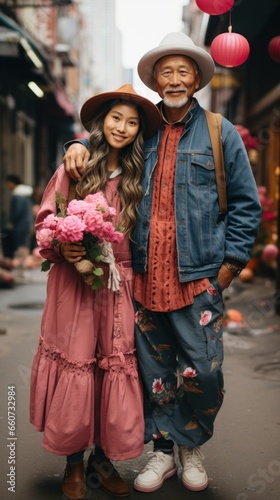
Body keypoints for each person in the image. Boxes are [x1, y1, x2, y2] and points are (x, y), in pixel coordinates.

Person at [63, 32, 262, 493]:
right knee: (153, 372)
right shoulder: (145, 130)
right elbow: (107, 136)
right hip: (143, 276)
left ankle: (191, 444)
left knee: (204, 370)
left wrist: (229, 266)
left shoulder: (219, 130)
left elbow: (246, 205)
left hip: (197, 278)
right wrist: (76, 142)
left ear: (195, 79)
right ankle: (162, 451)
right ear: (155, 79)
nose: (174, 79)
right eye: (166, 72)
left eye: (183, 71)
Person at [30, 84, 161, 500]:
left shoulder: (140, 175)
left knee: (112, 368)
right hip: (75, 282)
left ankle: (101, 463)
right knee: (78, 364)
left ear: (139, 131)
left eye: (132, 122)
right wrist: (61, 244)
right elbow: (47, 219)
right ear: (102, 122)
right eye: (116, 118)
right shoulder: (76, 166)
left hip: (119, 284)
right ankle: (72, 463)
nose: (122, 127)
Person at [6, 174, 33, 257]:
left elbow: (17, 211)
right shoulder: (24, 195)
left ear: (13, 183)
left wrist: (12, 222)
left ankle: (22, 264)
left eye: (8, 183)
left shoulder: (18, 196)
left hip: (20, 225)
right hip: (25, 224)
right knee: (24, 244)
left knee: (20, 244)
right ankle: (23, 263)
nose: (7, 186)